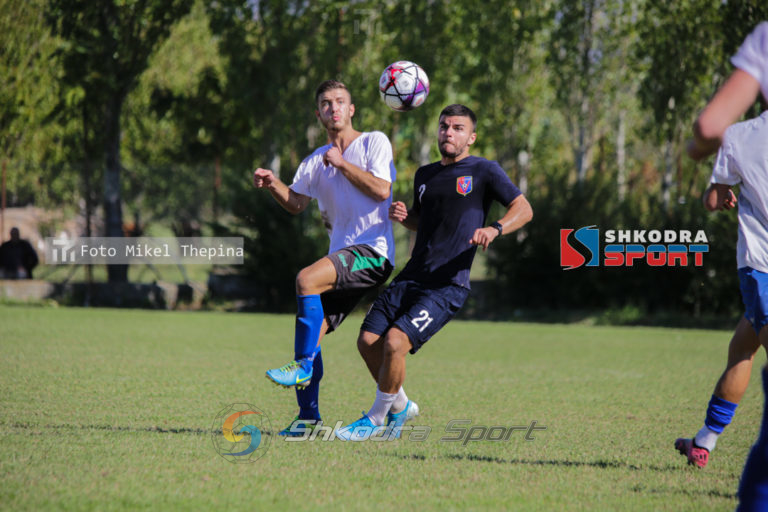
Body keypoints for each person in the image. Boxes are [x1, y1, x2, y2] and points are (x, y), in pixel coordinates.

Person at [335, 104, 533, 441]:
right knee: (367, 341)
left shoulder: (484, 170)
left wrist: (495, 229)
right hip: (412, 276)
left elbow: (523, 208)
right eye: (444, 126)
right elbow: (423, 221)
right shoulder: (424, 175)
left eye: (457, 128)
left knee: (395, 342)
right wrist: (405, 216)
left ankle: (376, 419)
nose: (449, 133)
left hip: (447, 284)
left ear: (471, 137)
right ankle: (401, 406)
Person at [253, 80, 398, 436]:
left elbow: (382, 190)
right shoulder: (314, 161)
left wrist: (342, 163)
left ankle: (302, 366)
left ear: (351, 110)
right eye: (325, 103)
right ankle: (308, 419)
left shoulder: (373, 142)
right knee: (310, 336)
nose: (333, 108)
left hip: (373, 254)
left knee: (305, 279)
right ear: (318, 114)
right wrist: (273, 183)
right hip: (343, 258)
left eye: (340, 102)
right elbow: (297, 203)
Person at [676, 20, 768, 510]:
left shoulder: (739, 136)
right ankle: (705, 442)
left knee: (743, 352)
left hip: (762, 269)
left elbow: (714, 197)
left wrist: (723, 191)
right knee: (742, 351)